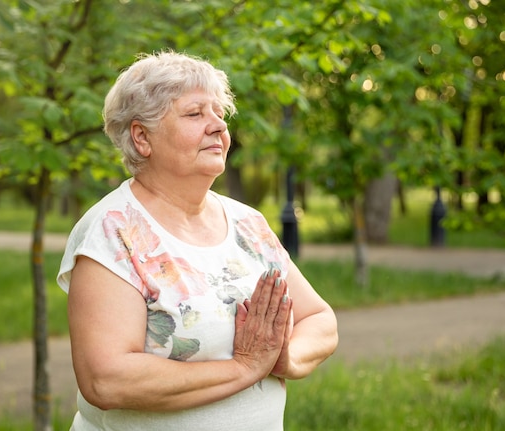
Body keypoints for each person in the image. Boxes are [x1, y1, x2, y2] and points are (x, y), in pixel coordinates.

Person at [57, 50, 338, 431]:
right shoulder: (112, 231)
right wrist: (244, 367)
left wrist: (283, 357)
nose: (218, 127)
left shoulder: (247, 223)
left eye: (219, 114)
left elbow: (320, 320)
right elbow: (107, 379)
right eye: (195, 114)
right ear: (142, 137)